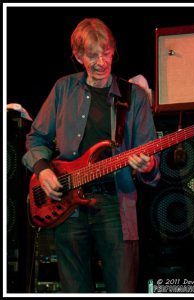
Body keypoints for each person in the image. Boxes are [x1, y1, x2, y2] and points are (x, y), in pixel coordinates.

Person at [22, 18, 160, 293]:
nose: (101, 62)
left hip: (115, 202)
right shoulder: (63, 89)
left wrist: (148, 165)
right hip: (68, 204)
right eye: (92, 55)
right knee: (74, 288)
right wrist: (43, 170)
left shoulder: (135, 97)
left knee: (123, 288)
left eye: (106, 53)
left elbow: (152, 159)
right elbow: (35, 137)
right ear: (78, 56)